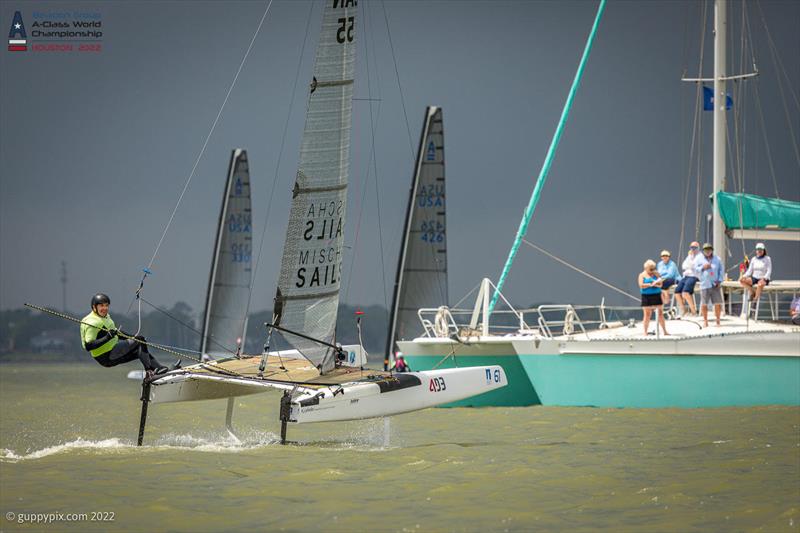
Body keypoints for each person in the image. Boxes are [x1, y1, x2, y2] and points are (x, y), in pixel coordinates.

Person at [80, 293, 168, 378]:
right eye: (101, 306)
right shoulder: (92, 322)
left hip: (112, 350)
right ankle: (149, 372)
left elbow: (117, 333)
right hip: (106, 356)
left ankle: (159, 369)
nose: (105, 308)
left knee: (139, 349)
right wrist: (107, 337)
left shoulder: (105, 316)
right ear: (94, 307)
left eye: (106, 305)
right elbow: (88, 346)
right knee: (139, 342)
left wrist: (132, 337)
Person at [694, 243, 724, 327]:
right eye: (705, 250)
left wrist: (720, 280)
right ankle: (705, 321)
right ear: (703, 251)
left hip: (715, 284)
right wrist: (703, 267)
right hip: (704, 284)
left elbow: (721, 270)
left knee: (717, 303)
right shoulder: (698, 259)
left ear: (712, 250)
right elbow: (695, 270)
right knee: (704, 304)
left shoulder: (717, 259)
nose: (707, 251)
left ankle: (718, 321)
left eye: (709, 249)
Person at [638, 259, 668, 336]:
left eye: (653, 268)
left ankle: (664, 331)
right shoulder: (642, 275)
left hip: (656, 295)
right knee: (647, 314)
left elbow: (661, 284)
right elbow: (641, 285)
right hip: (646, 296)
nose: (652, 270)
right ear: (646, 268)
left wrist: (656, 284)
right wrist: (650, 284)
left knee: (660, 314)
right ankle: (645, 332)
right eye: (650, 269)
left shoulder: (656, 274)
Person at [674, 241, 700, 316]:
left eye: (695, 247)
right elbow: (683, 266)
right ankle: (684, 310)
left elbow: (694, 266)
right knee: (677, 292)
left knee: (685, 293)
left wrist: (690, 265)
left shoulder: (700, 256)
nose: (693, 249)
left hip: (694, 276)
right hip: (686, 276)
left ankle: (694, 312)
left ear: (698, 248)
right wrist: (690, 264)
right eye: (691, 247)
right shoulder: (689, 256)